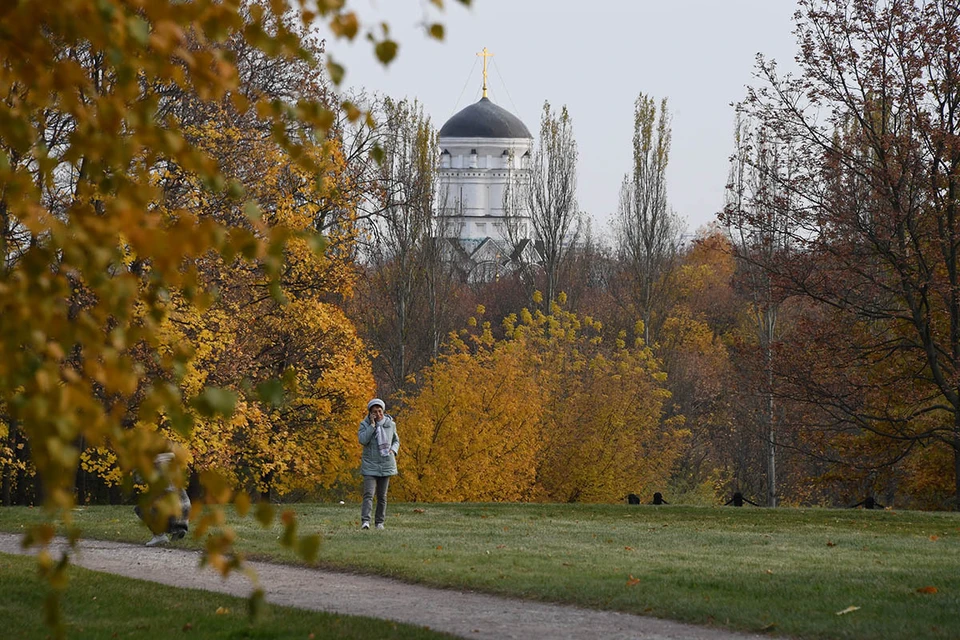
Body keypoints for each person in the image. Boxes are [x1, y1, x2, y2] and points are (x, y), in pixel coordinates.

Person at [358, 398, 399, 530]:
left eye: (380, 411)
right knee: (368, 494)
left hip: (386, 463)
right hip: (370, 464)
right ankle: (365, 521)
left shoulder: (390, 424)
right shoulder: (364, 425)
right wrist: (372, 426)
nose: (378, 414)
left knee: (382, 496)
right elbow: (363, 440)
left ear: (383, 411)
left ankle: (379, 522)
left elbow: (396, 440)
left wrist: (393, 450)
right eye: (374, 412)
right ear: (370, 413)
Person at [134, 451, 192, 547]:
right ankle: (179, 529)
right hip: (184, 506)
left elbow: (139, 480)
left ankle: (159, 535)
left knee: (142, 509)